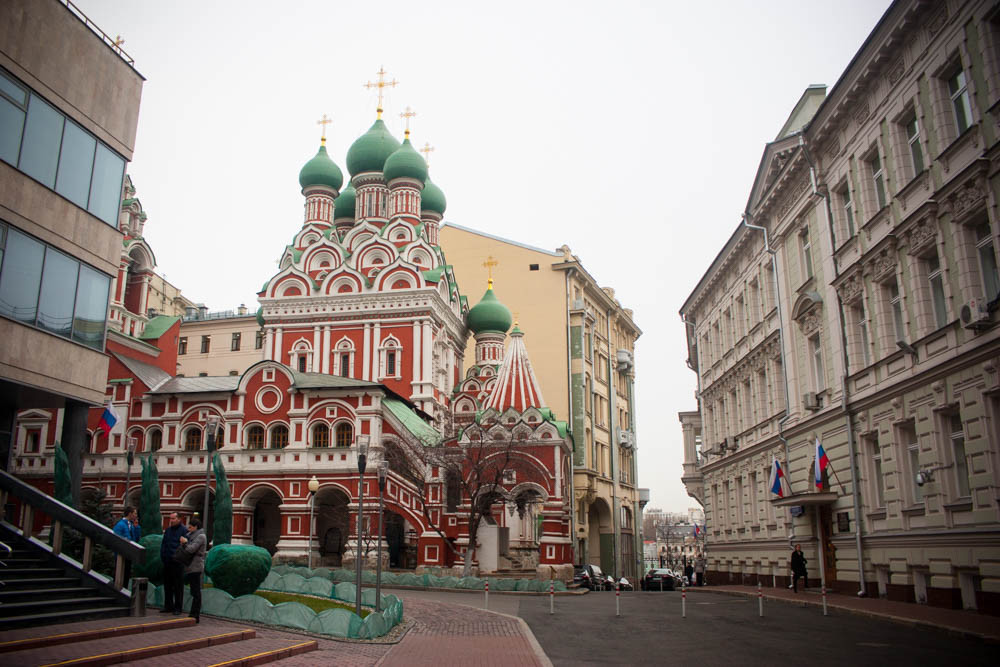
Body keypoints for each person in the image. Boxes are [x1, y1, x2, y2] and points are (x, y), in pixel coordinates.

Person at [178, 517, 207, 623]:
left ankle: (195, 614)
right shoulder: (191, 536)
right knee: (193, 590)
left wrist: (185, 543)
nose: (188, 529)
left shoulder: (200, 536)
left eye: (190, 527)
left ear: (196, 527)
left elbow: (191, 549)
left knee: (196, 591)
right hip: (190, 566)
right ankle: (193, 613)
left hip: (196, 566)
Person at [160, 512, 188, 614]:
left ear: (179, 519)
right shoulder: (168, 530)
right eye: (170, 519)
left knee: (178, 586)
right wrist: (163, 556)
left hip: (177, 563)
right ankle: (168, 606)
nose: (171, 521)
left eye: (173, 519)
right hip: (167, 561)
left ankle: (178, 607)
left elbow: (185, 546)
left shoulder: (184, 531)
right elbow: (164, 544)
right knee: (167, 585)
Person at [113, 506, 141, 585]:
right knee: (121, 575)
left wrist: (136, 528)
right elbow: (116, 539)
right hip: (121, 555)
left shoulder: (131, 525)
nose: (136, 515)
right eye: (135, 513)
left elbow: (136, 539)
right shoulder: (120, 525)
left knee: (126, 575)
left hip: (128, 554)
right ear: (130, 514)